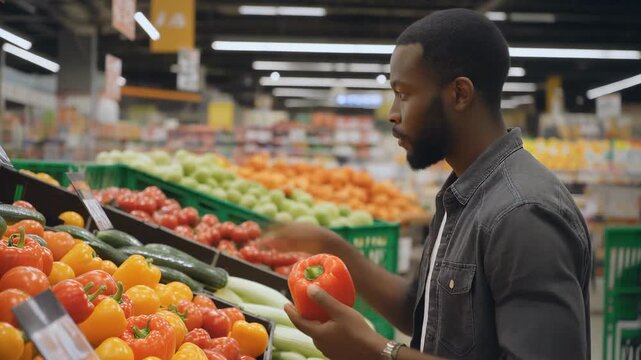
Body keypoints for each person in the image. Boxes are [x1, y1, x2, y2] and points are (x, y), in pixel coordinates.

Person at [270, 8, 592, 360]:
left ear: (459, 94)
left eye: (404, 94)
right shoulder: (467, 192)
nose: (392, 113)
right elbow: (428, 313)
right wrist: (333, 247)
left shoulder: (523, 215)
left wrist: (378, 351)